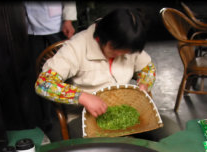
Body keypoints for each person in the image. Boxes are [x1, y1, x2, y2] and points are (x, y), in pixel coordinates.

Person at [35, 8, 156, 118]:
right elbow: (43, 84)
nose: (121, 55)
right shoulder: (76, 47)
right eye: (116, 51)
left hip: (121, 110)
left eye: (126, 52)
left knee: (168, 132)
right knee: (114, 142)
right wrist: (82, 97)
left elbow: (147, 68)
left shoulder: (126, 42)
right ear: (104, 38)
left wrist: (144, 84)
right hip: (85, 116)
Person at [24, 1, 77, 135]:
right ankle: (47, 119)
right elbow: (43, 84)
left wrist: (68, 20)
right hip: (30, 26)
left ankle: (65, 115)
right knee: (38, 74)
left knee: (66, 73)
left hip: (56, 25)